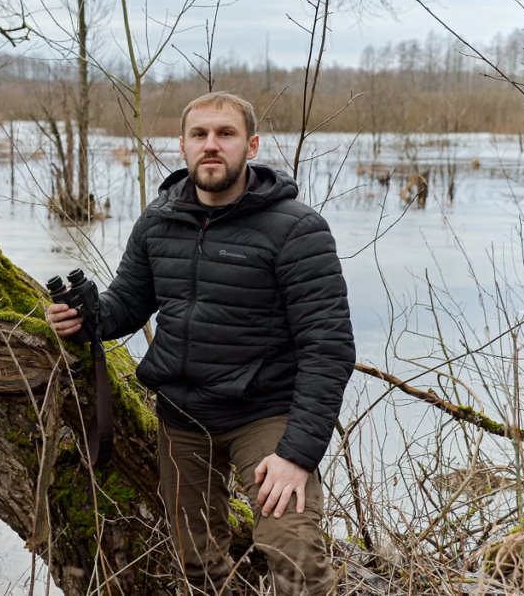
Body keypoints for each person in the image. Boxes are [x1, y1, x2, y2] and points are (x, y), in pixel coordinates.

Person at [46, 92, 355, 595]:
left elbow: (330, 347)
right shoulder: (159, 220)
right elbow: (128, 303)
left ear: (251, 145)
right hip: (183, 416)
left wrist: (297, 453)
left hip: (265, 414)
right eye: (200, 135)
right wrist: (86, 317)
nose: (212, 146)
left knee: (293, 553)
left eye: (226, 134)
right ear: (183, 145)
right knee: (198, 563)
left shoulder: (296, 229)